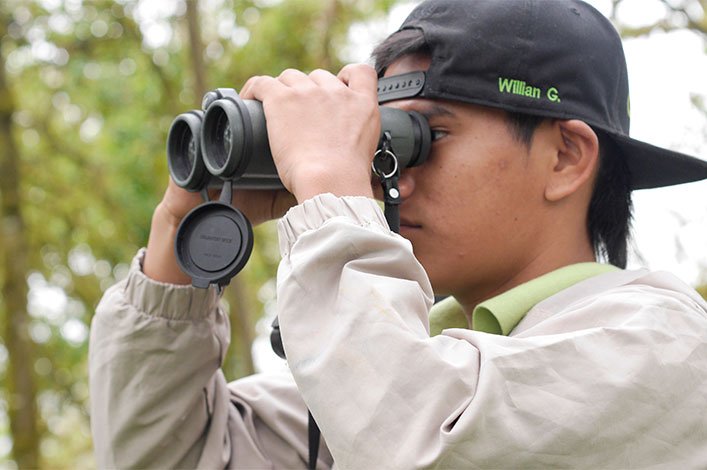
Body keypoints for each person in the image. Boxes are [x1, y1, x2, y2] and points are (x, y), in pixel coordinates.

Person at [89, 0, 707, 468]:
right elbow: (169, 453)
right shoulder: (391, 368)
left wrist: (331, 186)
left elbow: (419, 439)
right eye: (380, 140)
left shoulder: (668, 347)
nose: (390, 178)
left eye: (425, 139)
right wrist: (180, 232)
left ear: (566, 157)